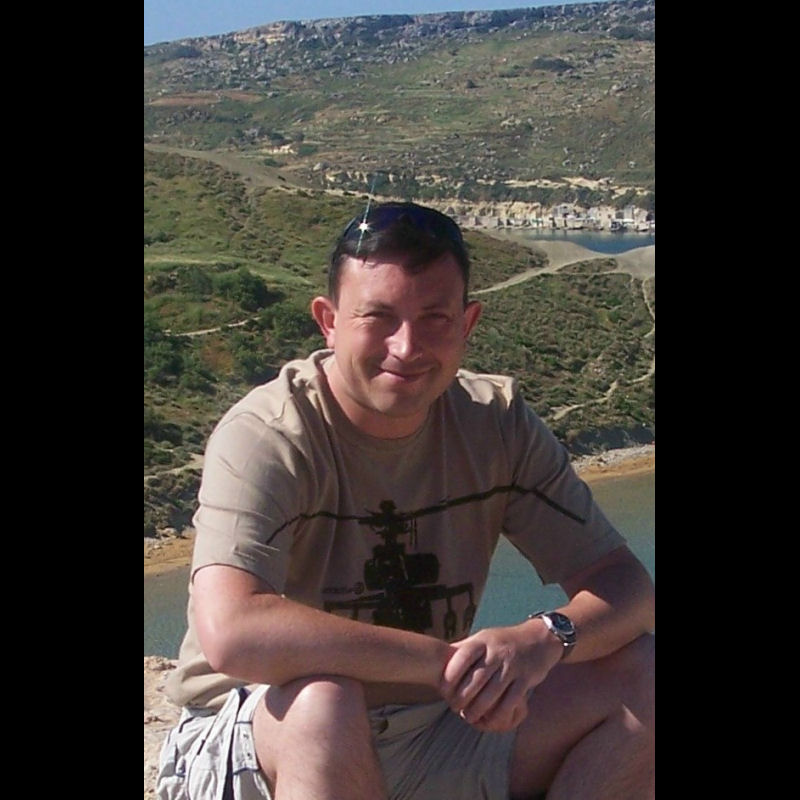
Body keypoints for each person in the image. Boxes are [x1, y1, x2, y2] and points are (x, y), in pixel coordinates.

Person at [156, 201, 655, 800]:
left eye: (435, 318)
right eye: (379, 317)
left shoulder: (496, 425)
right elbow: (232, 631)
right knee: (326, 704)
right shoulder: (270, 434)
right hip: (262, 729)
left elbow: (626, 586)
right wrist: (448, 665)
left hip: (435, 728)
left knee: (646, 675)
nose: (407, 345)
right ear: (328, 321)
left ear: (468, 324)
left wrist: (543, 639)